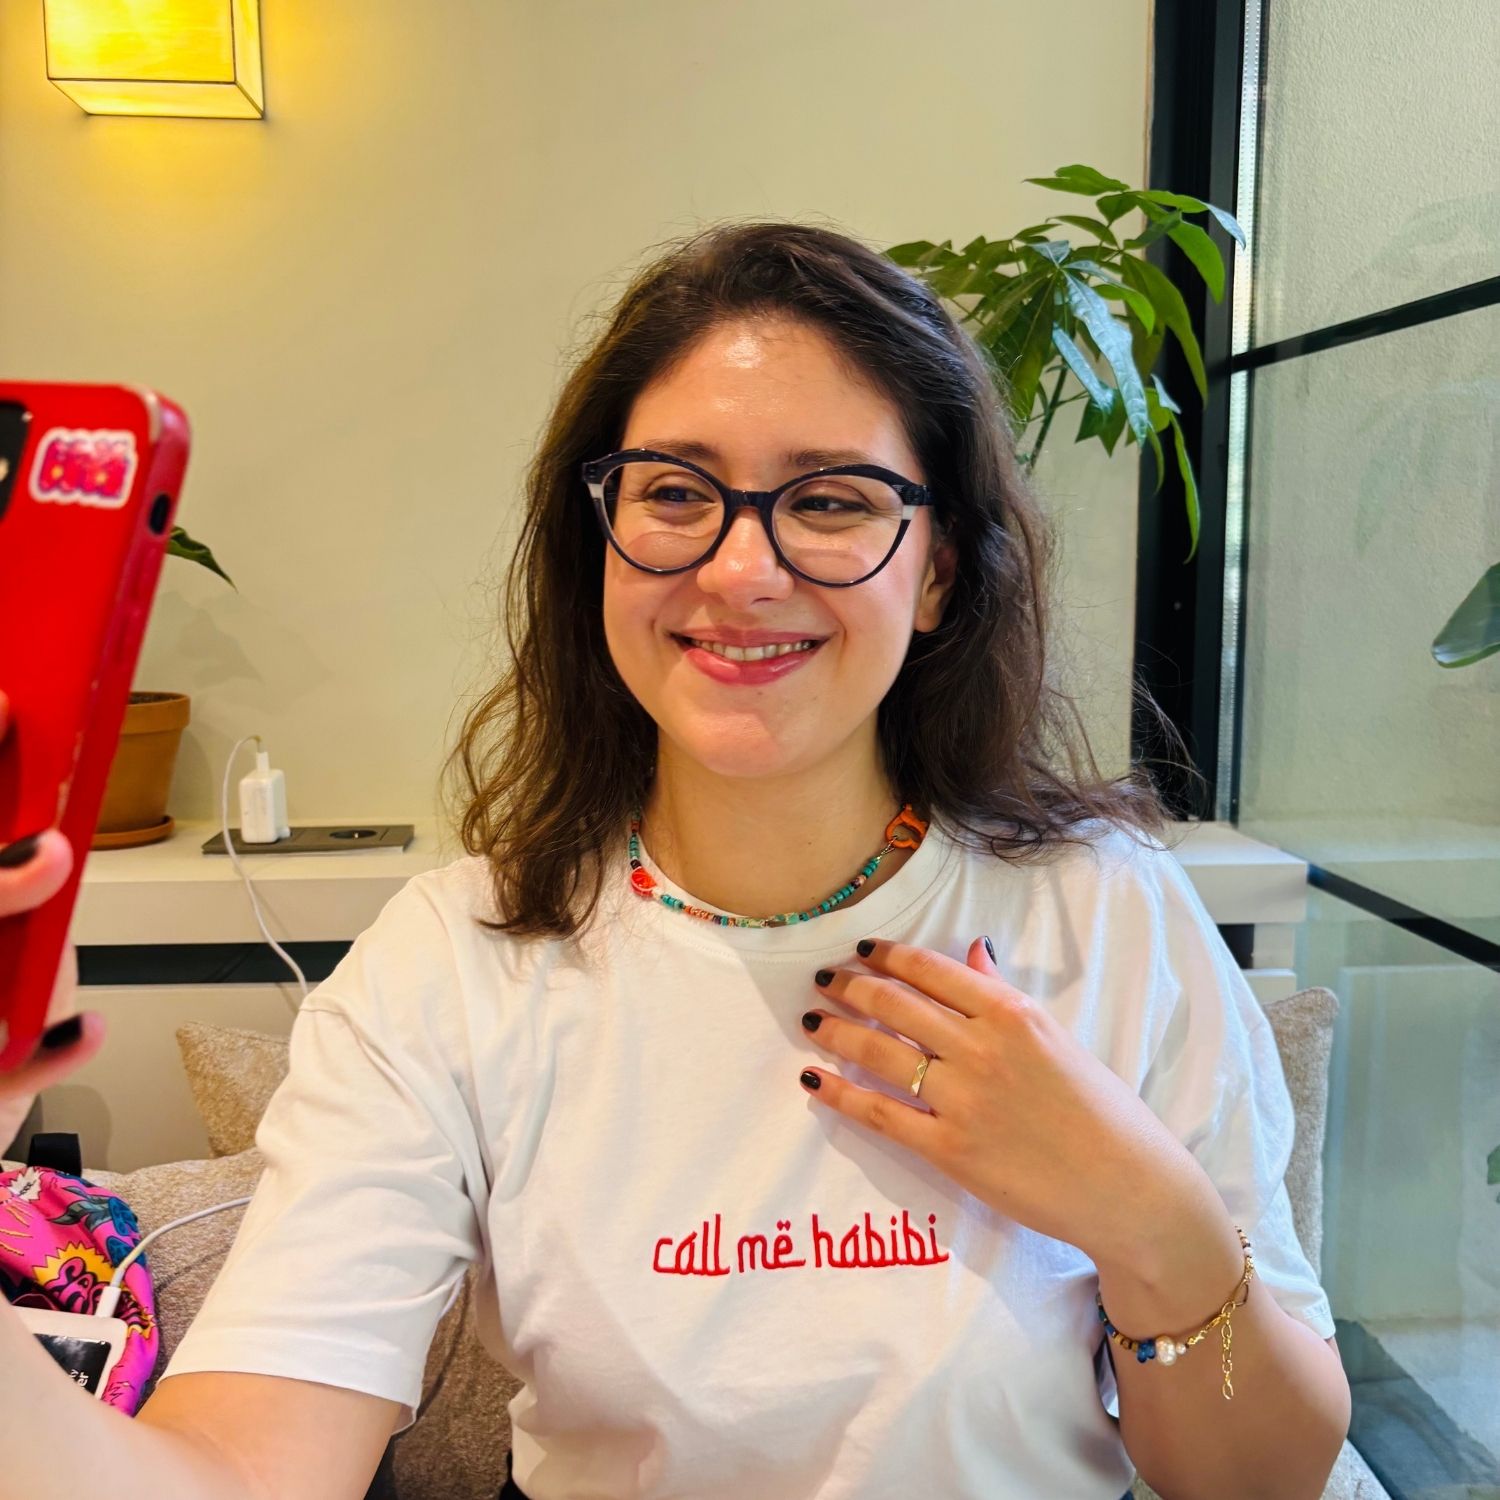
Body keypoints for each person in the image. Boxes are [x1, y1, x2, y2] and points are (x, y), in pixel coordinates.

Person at [0, 221, 1350, 1500]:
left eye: (829, 499)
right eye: (674, 493)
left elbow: (1264, 1475)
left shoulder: (1102, 913)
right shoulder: (454, 967)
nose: (740, 567)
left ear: (937, 570)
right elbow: (240, 1471)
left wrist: (1143, 1212)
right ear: (603, 544)